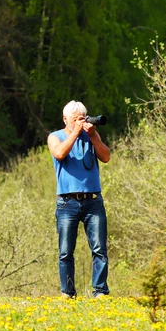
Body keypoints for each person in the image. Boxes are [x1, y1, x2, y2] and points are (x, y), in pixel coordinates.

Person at [47, 101, 111, 299]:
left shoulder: (90, 136)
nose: (79, 122)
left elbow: (106, 156)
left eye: (82, 118)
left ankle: (100, 291)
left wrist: (92, 135)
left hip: (93, 200)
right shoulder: (55, 137)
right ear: (65, 119)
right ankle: (68, 292)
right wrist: (75, 133)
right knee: (66, 251)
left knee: (99, 249)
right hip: (67, 203)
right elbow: (59, 154)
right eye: (75, 119)